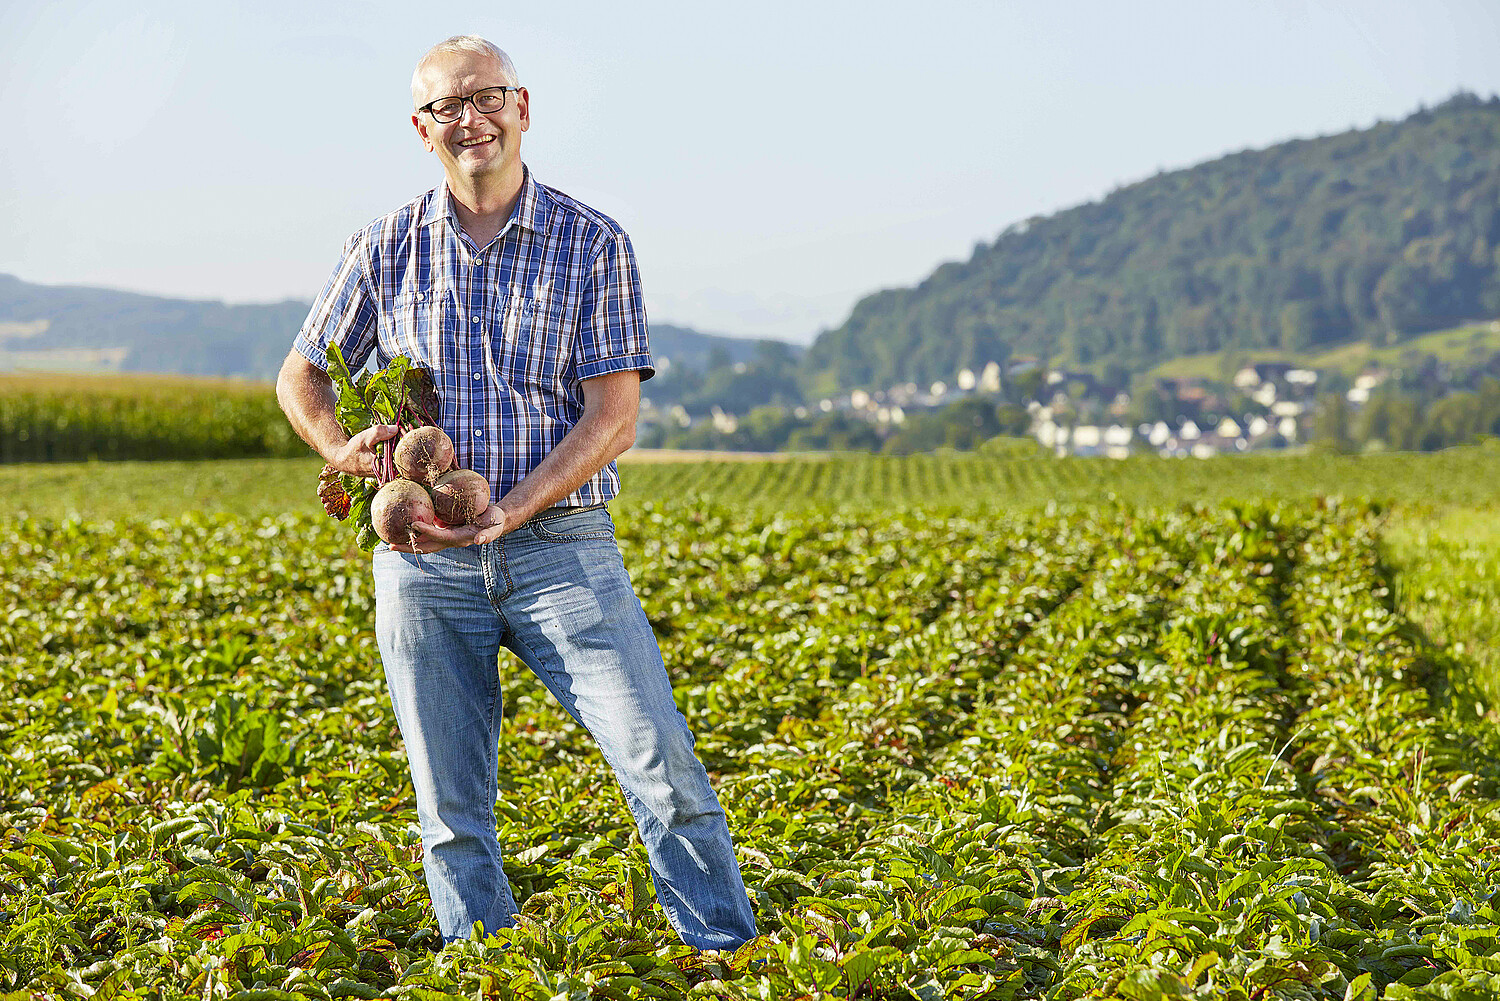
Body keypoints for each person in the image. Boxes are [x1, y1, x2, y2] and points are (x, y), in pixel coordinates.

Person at [275, 34, 758, 949]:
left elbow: (612, 417)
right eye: (448, 108)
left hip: (562, 549)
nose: (471, 119)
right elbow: (299, 380)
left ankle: (727, 957)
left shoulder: (593, 242)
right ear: (423, 130)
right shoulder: (381, 247)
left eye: (486, 97)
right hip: (421, 561)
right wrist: (346, 452)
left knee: (661, 770)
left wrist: (517, 506)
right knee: (450, 805)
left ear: (523, 108)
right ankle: (489, 969)